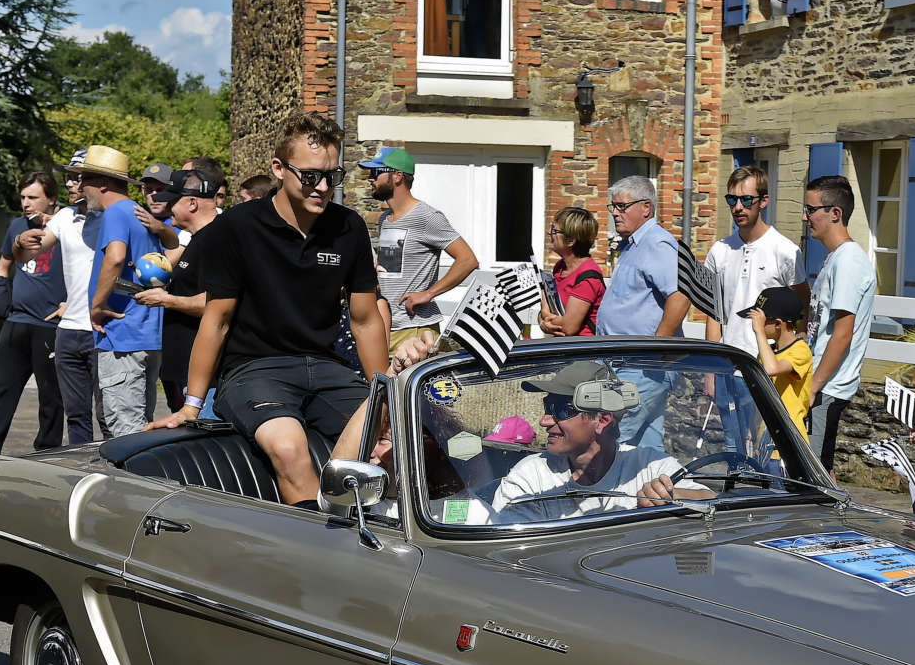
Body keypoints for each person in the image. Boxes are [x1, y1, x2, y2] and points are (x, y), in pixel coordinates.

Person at [147, 111, 390, 509]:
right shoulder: (238, 227)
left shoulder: (349, 227)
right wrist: (191, 406)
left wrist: (383, 396)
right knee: (289, 446)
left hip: (327, 368)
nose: (323, 187)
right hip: (254, 370)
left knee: (402, 438)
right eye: (310, 176)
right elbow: (218, 319)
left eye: (333, 176)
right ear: (279, 168)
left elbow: (365, 320)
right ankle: (322, 555)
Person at [490, 361, 712, 520]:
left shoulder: (648, 465)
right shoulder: (530, 478)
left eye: (559, 410)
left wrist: (670, 496)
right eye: (547, 407)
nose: (544, 421)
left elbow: (711, 500)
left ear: (602, 420)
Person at [704, 165, 805, 451]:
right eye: (732, 199)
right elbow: (714, 313)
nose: (738, 207)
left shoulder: (784, 250)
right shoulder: (719, 251)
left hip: (766, 370)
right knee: (733, 449)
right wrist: (711, 369)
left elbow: (801, 308)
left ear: (764, 201)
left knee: (767, 448)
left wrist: (787, 357)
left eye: (746, 199)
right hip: (727, 367)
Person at [595, 175, 691, 451]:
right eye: (613, 206)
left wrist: (655, 346)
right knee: (646, 451)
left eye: (622, 206)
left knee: (607, 443)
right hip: (630, 365)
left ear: (646, 208)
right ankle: (654, 494)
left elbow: (680, 296)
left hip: (641, 367)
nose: (615, 212)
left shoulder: (657, 243)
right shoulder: (634, 245)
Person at [358, 145, 478, 361]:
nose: (369, 178)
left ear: (397, 176)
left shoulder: (427, 216)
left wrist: (428, 293)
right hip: (386, 327)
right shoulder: (386, 219)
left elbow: (468, 260)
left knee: (410, 394)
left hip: (415, 330)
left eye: (376, 172)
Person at [14, 149, 101, 445]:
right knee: (76, 414)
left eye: (77, 178)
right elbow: (32, 250)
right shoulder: (65, 216)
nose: (70, 184)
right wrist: (19, 243)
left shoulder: (116, 217)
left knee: (109, 414)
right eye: (68, 178)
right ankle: (83, 472)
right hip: (69, 330)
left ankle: (120, 478)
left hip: (102, 329)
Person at [81, 146, 165, 436]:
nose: (80, 188)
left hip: (122, 336)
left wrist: (97, 305)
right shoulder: (137, 212)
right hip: (146, 333)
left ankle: (132, 483)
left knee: (125, 433)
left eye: (84, 180)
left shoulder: (116, 212)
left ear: (103, 183)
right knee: (142, 428)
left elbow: (116, 257)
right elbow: (170, 248)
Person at [0, 170, 67, 452]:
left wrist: (73, 304)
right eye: (23, 197)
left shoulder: (68, 226)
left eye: (33, 197)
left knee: (51, 400)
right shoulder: (16, 225)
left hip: (49, 325)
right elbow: (4, 265)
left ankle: (47, 454)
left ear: (52, 199)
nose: (26, 203)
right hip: (16, 321)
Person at [133, 163, 224, 417]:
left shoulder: (218, 239)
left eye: (171, 201)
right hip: (183, 373)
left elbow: (216, 304)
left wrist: (166, 300)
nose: (166, 207)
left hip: (205, 382)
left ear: (192, 204)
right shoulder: (196, 238)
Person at [800, 173, 875, 473]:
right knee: (816, 468)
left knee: (813, 475)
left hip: (828, 385)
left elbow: (842, 334)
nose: (806, 217)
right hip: (819, 381)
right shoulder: (834, 258)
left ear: (835, 213)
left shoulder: (849, 260)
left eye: (811, 209)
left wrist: (814, 386)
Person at [745, 285, 812, 440]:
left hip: (789, 440)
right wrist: (751, 433)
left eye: (761, 321)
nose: (755, 326)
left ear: (777, 323)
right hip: (765, 439)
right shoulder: (767, 353)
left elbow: (771, 368)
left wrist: (759, 332)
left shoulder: (800, 350)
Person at [537, 207, 605, 336]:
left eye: (554, 230)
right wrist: (542, 322)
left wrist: (545, 320)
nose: (548, 232)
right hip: (564, 347)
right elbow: (546, 309)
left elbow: (568, 328)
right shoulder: (560, 267)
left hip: (581, 351)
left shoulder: (588, 278)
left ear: (570, 241)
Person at [134, 162, 184, 252]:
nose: (154, 196)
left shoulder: (183, 224)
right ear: (142, 190)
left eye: (160, 190)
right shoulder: (138, 218)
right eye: (149, 190)